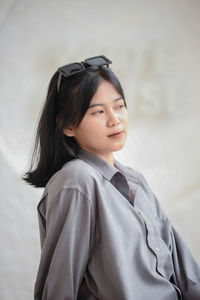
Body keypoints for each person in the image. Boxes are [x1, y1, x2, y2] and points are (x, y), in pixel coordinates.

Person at [24, 55, 200, 300]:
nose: (114, 119)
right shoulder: (77, 182)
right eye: (97, 112)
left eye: (119, 106)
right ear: (67, 126)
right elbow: (59, 289)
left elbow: (187, 276)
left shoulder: (136, 182)